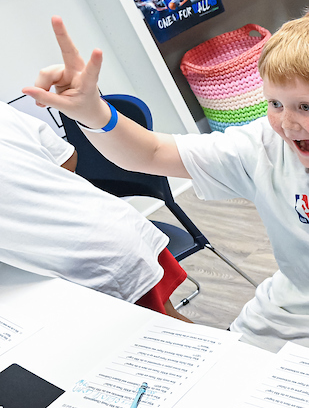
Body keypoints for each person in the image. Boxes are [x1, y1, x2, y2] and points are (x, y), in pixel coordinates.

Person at [25, 12, 309, 352]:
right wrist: (92, 112)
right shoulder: (260, 147)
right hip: (288, 314)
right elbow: (151, 152)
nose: (287, 124)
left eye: (306, 107)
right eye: (275, 103)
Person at [1, 81, 186, 318]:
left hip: (92, 265)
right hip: (116, 226)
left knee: (166, 337)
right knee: (170, 327)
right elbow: (66, 158)